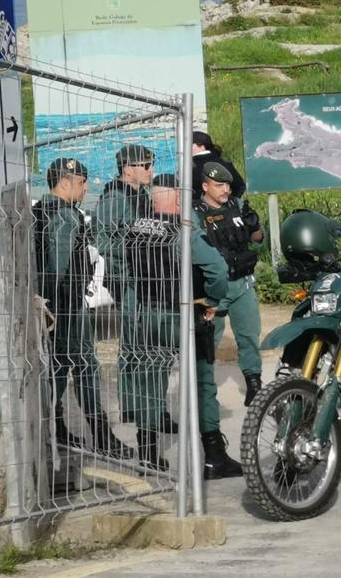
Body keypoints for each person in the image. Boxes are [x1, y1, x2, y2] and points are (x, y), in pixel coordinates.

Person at [124, 174, 240, 478]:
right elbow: (217, 268)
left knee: (149, 384)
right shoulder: (182, 232)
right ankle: (214, 456)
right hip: (184, 316)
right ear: (177, 198)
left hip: (148, 315)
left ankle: (148, 456)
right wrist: (213, 300)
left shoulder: (135, 228)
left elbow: (123, 269)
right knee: (202, 384)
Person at [34, 158, 133, 459]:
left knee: (58, 369)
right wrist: (49, 306)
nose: (85, 188)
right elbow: (58, 266)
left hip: (56, 306)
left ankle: (57, 429)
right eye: (81, 183)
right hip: (66, 307)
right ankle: (101, 437)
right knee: (84, 368)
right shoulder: (64, 217)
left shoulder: (41, 210)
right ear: (65, 182)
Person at [96, 144, 178, 435]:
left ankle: (146, 408)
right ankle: (142, 409)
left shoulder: (140, 195)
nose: (150, 171)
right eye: (145, 166)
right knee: (140, 347)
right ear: (128, 168)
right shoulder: (115, 199)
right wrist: (136, 253)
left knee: (145, 347)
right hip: (131, 280)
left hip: (147, 276)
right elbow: (105, 242)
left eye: (151, 165)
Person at [193, 163, 265, 406]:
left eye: (227, 185)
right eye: (219, 185)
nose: (225, 190)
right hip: (214, 289)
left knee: (249, 336)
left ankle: (255, 384)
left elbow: (258, 238)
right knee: (208, 343)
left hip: (242, 284)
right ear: (205, 186)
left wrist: (254, 224)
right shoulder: (196, 213)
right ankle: (202, 394)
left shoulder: (237, 205)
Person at [191, 131, 245, 200]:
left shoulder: (189, 167)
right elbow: (240, 186)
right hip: (225, 208)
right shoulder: (225, 162)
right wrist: (229, 203)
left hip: (197, 208)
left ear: (197, 145)